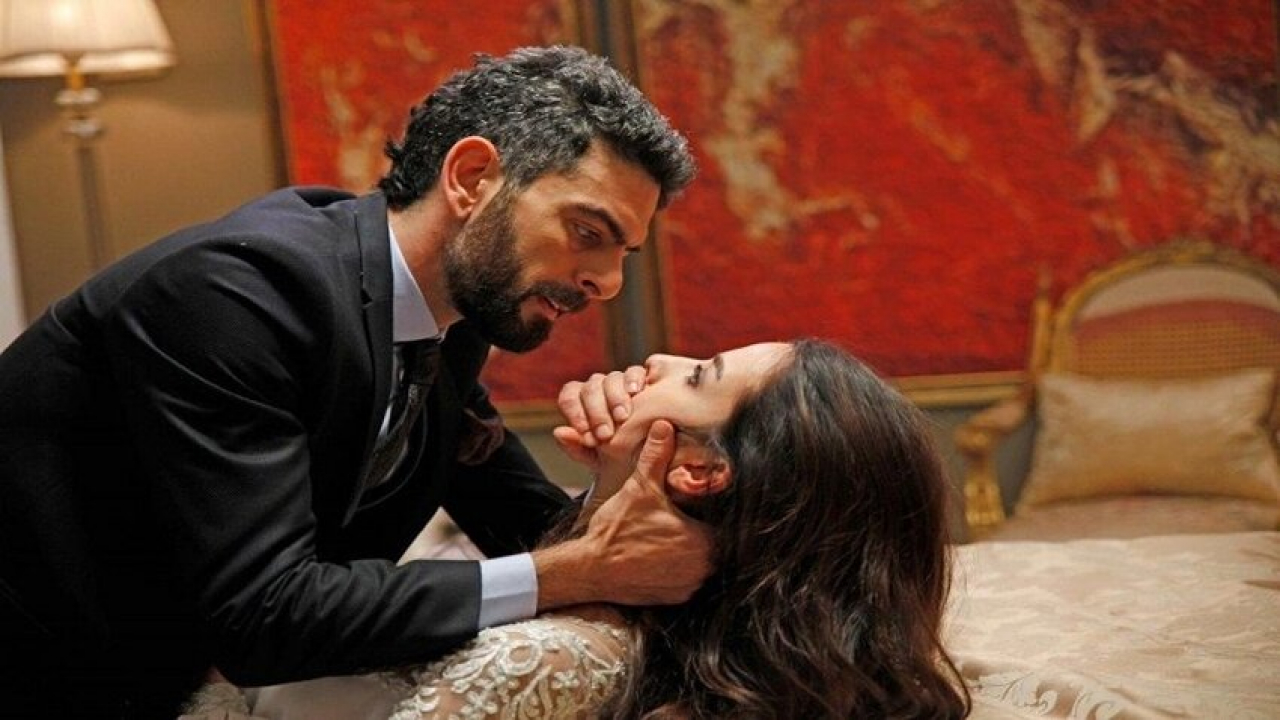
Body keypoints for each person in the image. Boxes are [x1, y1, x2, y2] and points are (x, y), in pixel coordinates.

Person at [0, 45, 709, 718]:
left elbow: (529, 526)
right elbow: (264, 615)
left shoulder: (447, 323)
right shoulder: (239, 295)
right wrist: (576, 570)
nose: (607, 282)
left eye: (623, 252)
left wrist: (620, 467)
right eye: (588, 232)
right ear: (471, 178)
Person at [235, 339, 971, 719]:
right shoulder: (673, 621)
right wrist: (611, 490)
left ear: (700, 471)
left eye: (698, 375)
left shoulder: (548, 657)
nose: (658, 359)